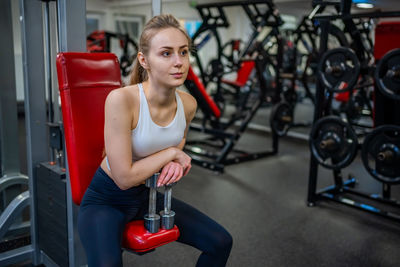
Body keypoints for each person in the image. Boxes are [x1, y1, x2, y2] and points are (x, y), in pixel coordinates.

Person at [77, 14, 233, 267]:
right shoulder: (123, 100)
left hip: (146, 196)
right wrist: (172, 155)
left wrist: (175, 157)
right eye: (166, 53)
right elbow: (124, 178)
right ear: (144, 60)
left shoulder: (188, 104)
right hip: (105, 201)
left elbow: (178, 140)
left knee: (220, 242)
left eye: (183, 52)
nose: (179, 62)